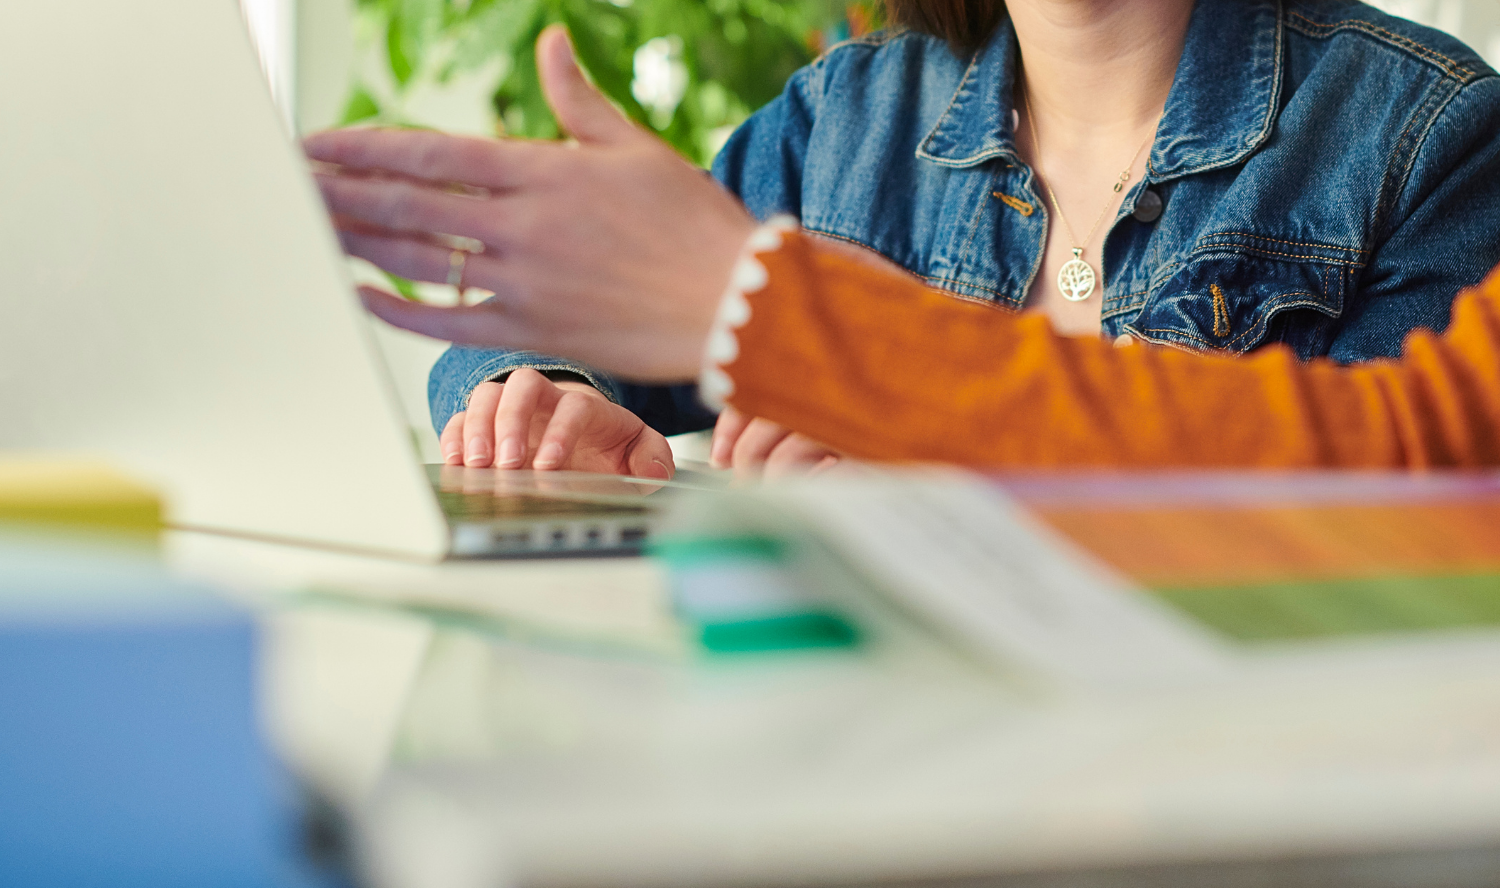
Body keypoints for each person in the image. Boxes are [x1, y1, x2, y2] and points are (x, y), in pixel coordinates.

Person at [307, 25, 1500, 470]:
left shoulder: (1425, 132)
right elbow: (586, 313)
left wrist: (926, 462)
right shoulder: (848, 120)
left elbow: (1394, 525)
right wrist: (547, 391)